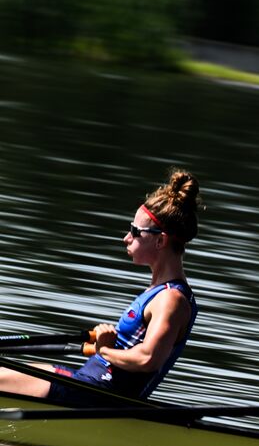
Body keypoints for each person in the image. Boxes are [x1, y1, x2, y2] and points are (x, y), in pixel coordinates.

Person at [0, 170, 202, 405]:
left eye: (136, 232)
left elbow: (149, 358)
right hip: (86, 384)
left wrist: (104, 350)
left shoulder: (171, 300)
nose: (126, 238)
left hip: (97, 396)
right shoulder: (160, 292)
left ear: (161, 240)